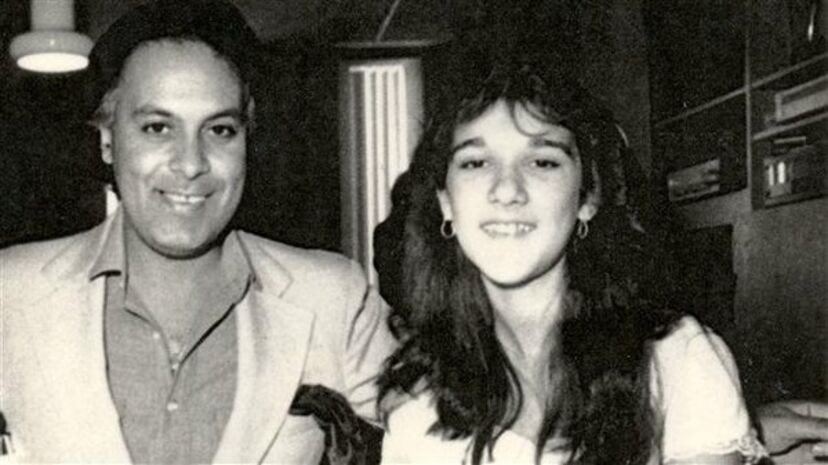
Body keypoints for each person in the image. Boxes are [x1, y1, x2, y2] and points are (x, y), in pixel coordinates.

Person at [0, 1, 394, 463]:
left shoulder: (333, 298)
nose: (190, 164)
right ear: (107, 140)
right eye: (157, 127)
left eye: (220, 130)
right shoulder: (11, 292)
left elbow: (442, 437)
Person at [372, 38, 768, 465]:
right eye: (476, 162)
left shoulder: (675, 359)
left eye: (542, 161)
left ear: (587, 198)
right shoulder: (416, 400)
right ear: (446, 202)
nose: (506, 190)